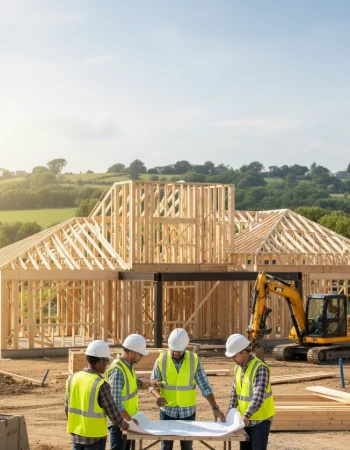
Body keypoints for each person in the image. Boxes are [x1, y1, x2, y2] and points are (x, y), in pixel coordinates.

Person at [150, 328, 225, 450]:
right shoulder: (161, 360)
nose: (176, 353)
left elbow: (205, 386)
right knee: (166, 446)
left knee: (187, 447)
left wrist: (215, 407)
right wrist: (158, 396)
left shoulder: (194, 360)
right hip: (167, 412)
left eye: (179, 351)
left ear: (185, 347)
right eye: (173, 350)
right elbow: (152, 384)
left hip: (188, 412)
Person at [65, 340, 130, 450]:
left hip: (76, 435)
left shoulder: (72, 378)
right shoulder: (100, 384)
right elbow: (113, 413)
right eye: (106, 361)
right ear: (100, 362)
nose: (107, 365)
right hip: (95, 439)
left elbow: (67, 408)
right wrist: (126, 425)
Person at [106, 334, 162, 450]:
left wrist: (150, 382)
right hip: (120, 424)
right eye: (140, 354)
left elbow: (133, 383)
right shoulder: (117, 370)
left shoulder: (127, 367)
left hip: (128, 421)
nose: (141, 357)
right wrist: (129, 421)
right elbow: (115, 402)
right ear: (131, 353)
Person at [225, 334, 275, 450]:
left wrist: (246, 415)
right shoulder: (237, 367)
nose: (233, 360)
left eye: (234, 356)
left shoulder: (260, 368)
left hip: (260, 421)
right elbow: (235, 392)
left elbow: (258, 396)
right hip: (244, 421)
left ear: (243, 353)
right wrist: (230, 413)